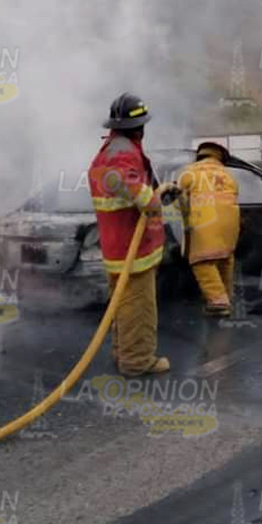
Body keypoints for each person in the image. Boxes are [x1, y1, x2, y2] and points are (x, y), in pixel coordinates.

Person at [88, 92, 170, 376]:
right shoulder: (122, 151)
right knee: (138, 309)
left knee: (124, 306)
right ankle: (137, 362)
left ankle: (123, 353)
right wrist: (151, 200)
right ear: (139, 127)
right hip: (131, 250)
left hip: (120, 247)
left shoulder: (115, 147)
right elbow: (125, 182)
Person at [175, 142, 240, 317]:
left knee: (203, 262)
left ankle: (218, 302)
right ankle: (227, 295)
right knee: (225, 258)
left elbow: (178, 201)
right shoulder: (228, 175)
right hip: (230, 224)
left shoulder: (189, 172)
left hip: (205, 224)